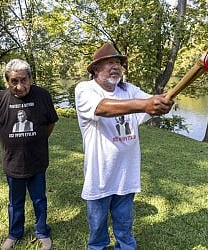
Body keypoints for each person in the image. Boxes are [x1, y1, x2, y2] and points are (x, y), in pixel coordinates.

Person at [74, 43, 174, 249]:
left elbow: (153, 103)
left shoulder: (129, 90)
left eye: (118, 63)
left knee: (125, 226)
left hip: (126, 173)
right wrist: (144, 105)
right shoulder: (85, 89)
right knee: (97, 228)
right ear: (95, 68)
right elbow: (102, 108)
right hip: (100, 175)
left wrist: (162, 104)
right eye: (109, 62)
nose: (116, 67)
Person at [0, 59, 59, 250]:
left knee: (39, 199)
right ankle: (14, 233)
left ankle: (42, 231)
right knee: (15, 202)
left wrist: (35, 140)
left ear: (30, 78)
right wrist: (13, 145)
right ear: (7, 81)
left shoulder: (42, 96)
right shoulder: (0, 99)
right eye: (14, 81)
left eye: (24, 80)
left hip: (37, 160)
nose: (20, 86)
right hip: (12, 163)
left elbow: (50, 124)